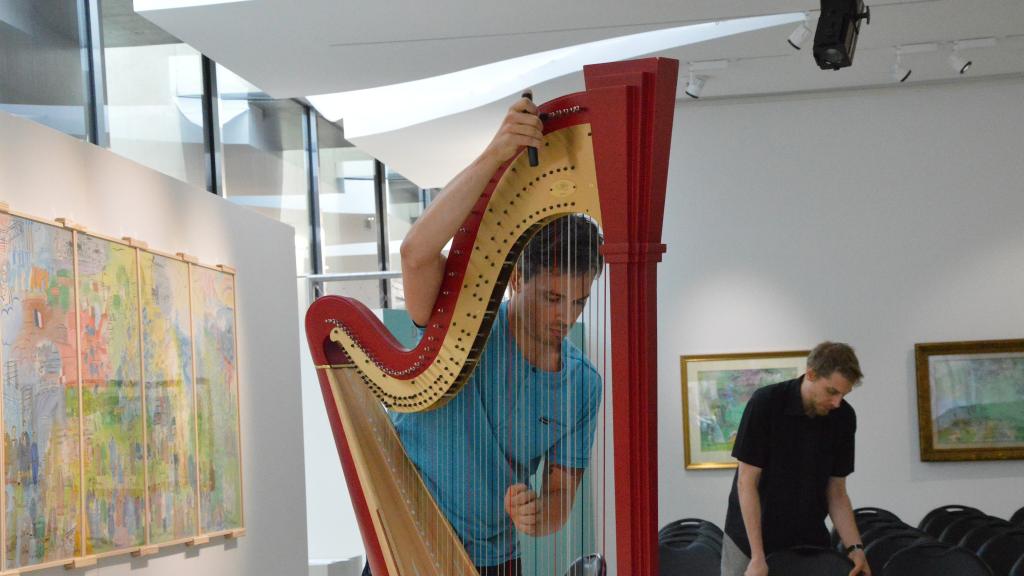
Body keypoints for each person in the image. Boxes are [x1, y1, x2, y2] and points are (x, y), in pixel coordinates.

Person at [362, 97, 604, 576]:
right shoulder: (460, 323)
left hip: (495, 560)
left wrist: (539, 519)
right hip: (405, 545)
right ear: (517, 279)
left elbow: (560, 493)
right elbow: (416, 253)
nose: (567, 317)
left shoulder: (584, 384)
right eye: (553, 298)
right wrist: (498, 155)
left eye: (579, 302)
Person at [721, 342, 871, 576]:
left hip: (806, 539)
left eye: (844, 394)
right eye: (832, 391)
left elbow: (837, 491)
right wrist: (758, 557)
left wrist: (855, 548)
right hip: (749, 538)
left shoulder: (843, 417)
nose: (837, 402)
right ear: (810, 374)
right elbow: (747, 482)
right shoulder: (766, 403)